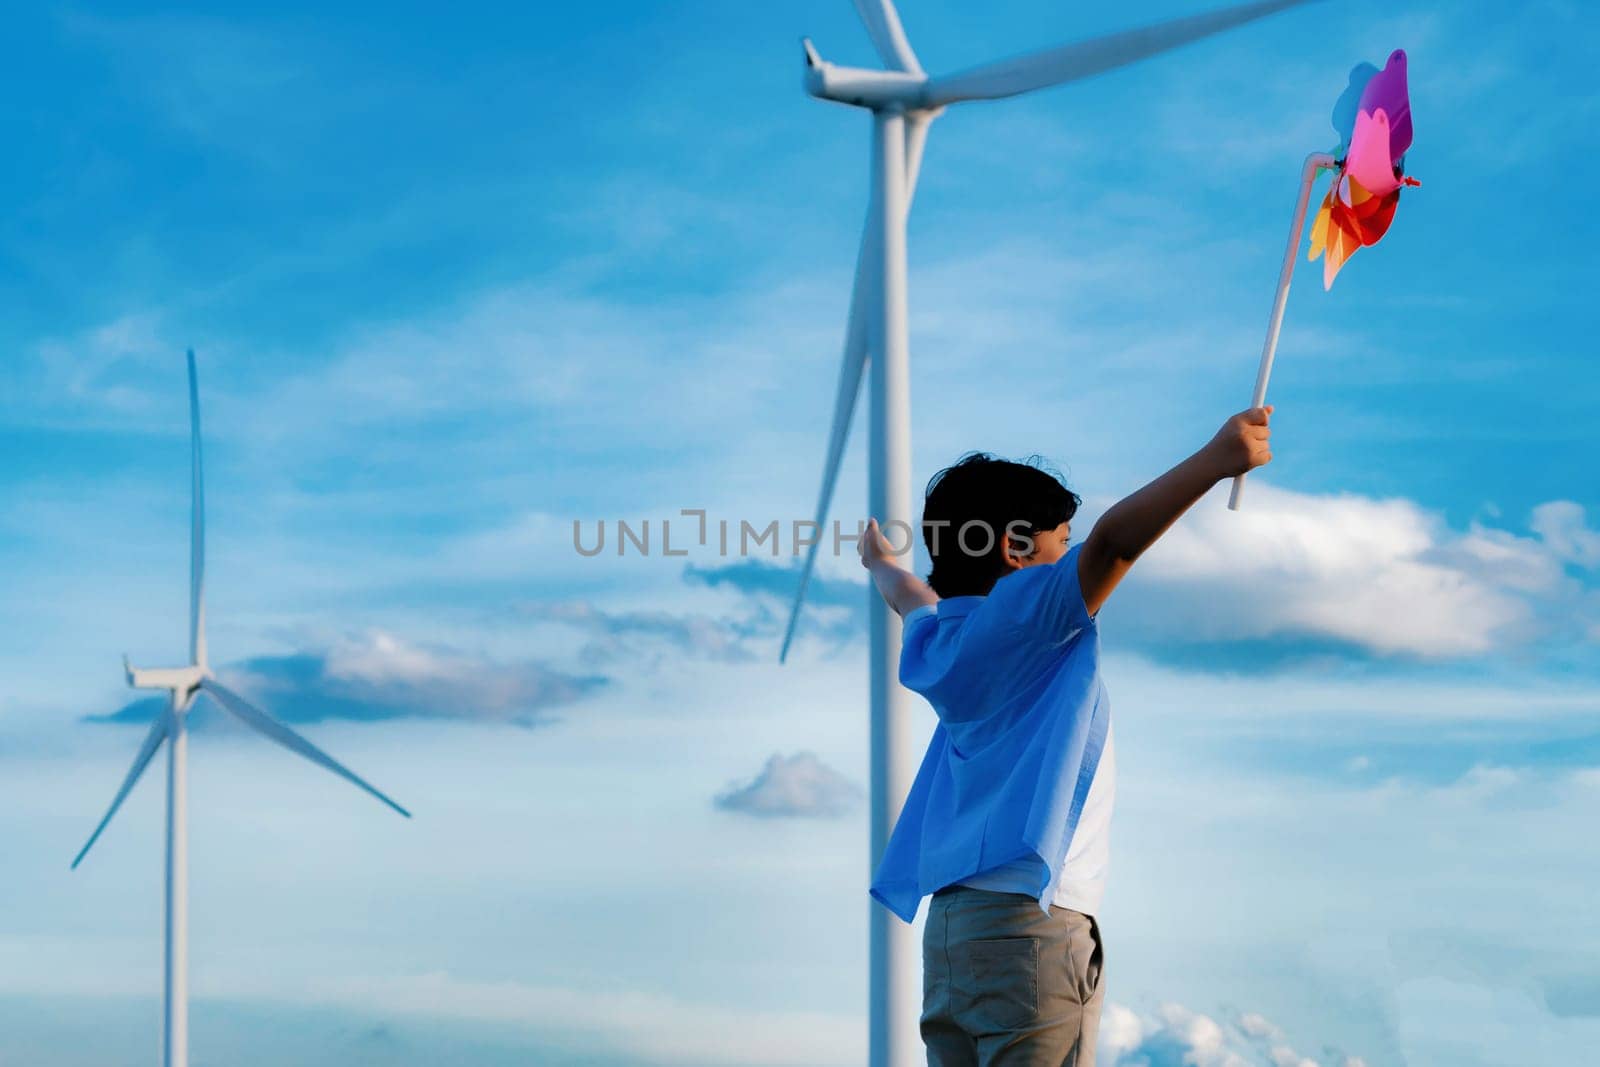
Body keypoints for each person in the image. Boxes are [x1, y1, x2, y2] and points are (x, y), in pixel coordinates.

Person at [858, 405, 1274, 1066]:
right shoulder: (1033, 612)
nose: (1070, 557)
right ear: (1017, 550)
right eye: (1061, 541)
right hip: (1030, 930)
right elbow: (1114, 544)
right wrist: (1215, 460)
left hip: (951, 934)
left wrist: (879, 562)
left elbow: (906, 593)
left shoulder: (940, 638)